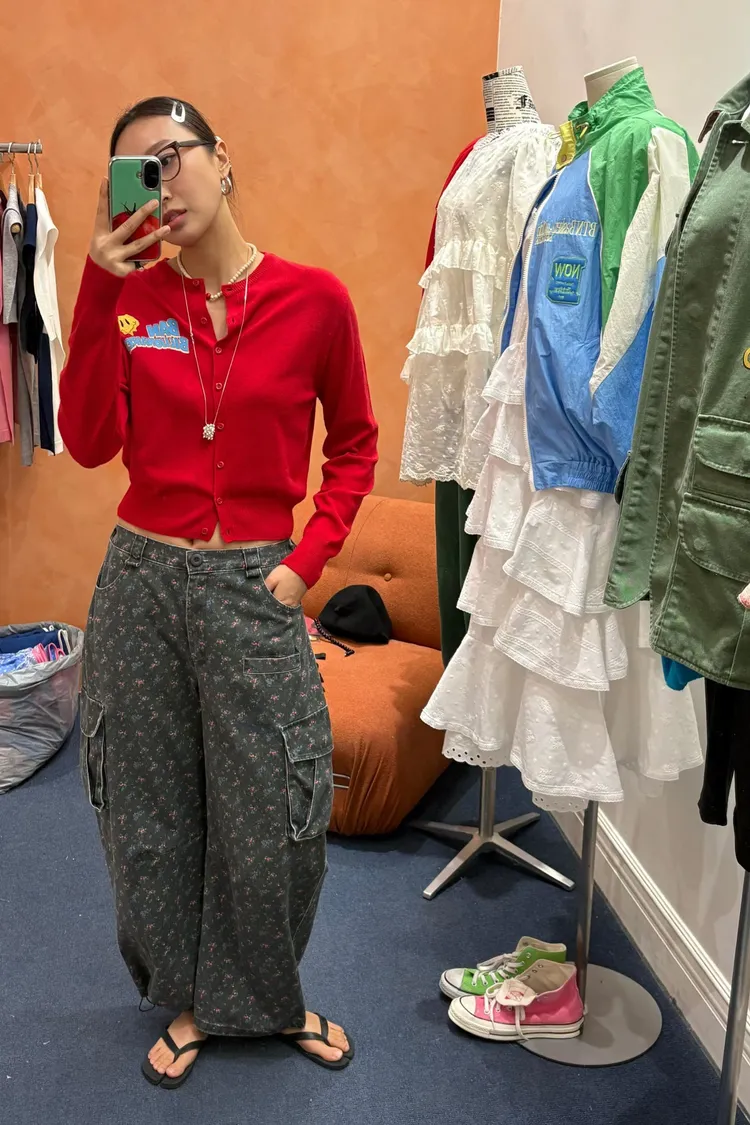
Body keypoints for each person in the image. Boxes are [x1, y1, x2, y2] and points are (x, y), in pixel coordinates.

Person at [58, 96, 378, 1089]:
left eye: (172, 157)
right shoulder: (130, 304)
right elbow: (87, 442)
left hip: (256, 582)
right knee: (147, 807)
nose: (161, 186)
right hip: (141, 583)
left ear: (222, 158)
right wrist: (96, 286)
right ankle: (192, 999)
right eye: (136, 173)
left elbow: (356, 446)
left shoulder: (315, 301)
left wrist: (305, 561)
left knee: (276, 805)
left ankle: (268, 998)